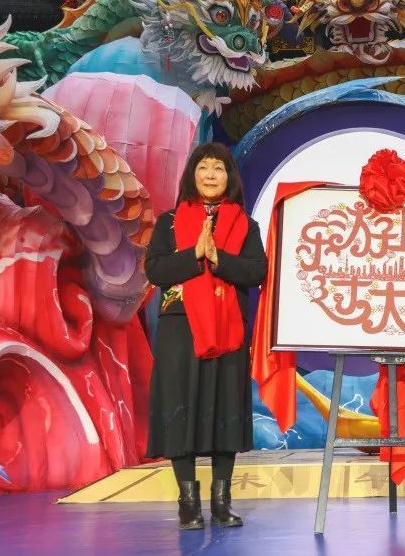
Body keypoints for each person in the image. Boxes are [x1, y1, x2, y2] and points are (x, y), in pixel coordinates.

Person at [144, 142, 267, 530]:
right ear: (191, 175)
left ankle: (222, 502)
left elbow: (256, 272)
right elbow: (155, 270)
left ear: (229, 178)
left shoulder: (246, 225)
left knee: (223, 407)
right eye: (203, 167)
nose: (210, 174)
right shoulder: (168, 222)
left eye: (218, 168)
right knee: (180, 407)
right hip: (180, 328)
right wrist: (193, 254)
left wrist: (217, 258)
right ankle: (188, 504)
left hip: (228, 328)